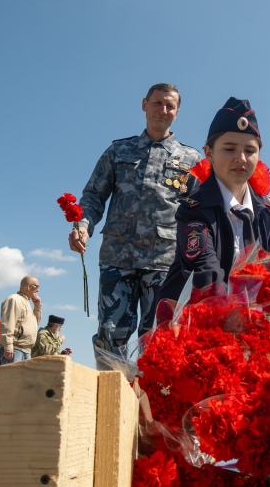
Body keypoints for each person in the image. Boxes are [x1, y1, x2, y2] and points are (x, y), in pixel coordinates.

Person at [68, 83, 202, 368]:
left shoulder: (192, 160)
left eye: (170, 106)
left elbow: (200, 212)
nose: (163, 110)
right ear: (144, 105)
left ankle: (151, 407)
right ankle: (110, 403)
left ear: (177, 113)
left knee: (158, 338)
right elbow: (93, 196)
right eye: (157, 103)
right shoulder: (119, 151)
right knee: (110, 336)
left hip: (165, 262)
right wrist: (83, 226)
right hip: (118, 259)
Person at [156, 97, 270, 305]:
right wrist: (233, 311)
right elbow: (206, 271)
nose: (240, 157)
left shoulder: (266, 211)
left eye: (250, 150)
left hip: (246, 319)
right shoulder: (194, 209)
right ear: (209, 154)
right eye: (229, 149)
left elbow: (268, 263)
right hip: (194, 318)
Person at [0, 275, 42, 364]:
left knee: (23, 378)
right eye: (36, 286)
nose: (38, 290)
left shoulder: (27, 302)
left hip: (26, 351)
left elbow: (35, 323)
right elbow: (7, 324)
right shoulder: (14, 299)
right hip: (14, 350)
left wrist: (37, 307)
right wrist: (8, 346)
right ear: (28, 286)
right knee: (12, 378)